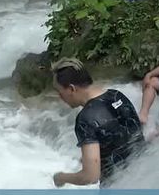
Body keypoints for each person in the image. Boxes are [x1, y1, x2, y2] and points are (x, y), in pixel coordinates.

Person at [51, 59, 145, 188]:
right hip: (145, 175)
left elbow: (90, 176)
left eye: (60, 92)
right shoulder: (117, 95)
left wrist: (62, 177)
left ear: (72, 89)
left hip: (117, 191)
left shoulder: (85, 119)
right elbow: (126, 136)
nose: (60, 97)